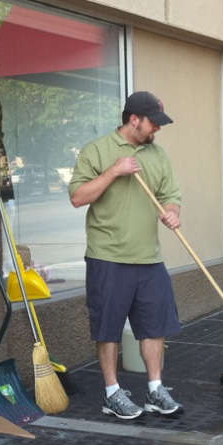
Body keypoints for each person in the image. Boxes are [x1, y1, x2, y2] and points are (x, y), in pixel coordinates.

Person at [68, 91, 184, 420]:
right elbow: (78, 197)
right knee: (108, 329)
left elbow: (171, 195)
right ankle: (112, 393)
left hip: (149, 257)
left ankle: (155, 389)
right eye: (153, 123)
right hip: (108, 256)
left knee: (155, 327)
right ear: (134, 120)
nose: (157, 129)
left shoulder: (157, 155)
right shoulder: (97, 150)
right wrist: (113, 171)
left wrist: (172, 213)